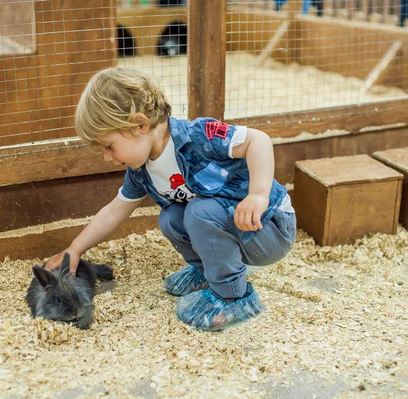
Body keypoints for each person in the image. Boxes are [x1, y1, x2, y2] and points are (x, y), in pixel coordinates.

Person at [45, 67, 297, 331]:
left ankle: (234, 297)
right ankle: (209, 275)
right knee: (171, 218)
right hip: (233, 227)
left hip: (269, 227)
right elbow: (113, 212)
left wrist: (258, 195)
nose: (107, 157)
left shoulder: (197, 136)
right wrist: (74, 249)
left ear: (140, 124)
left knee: (200, 211)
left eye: (109, 146)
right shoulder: (141, 172)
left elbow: (258, 140)